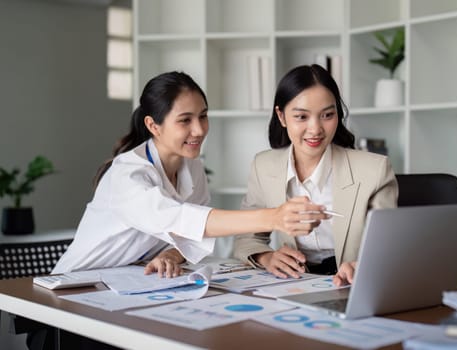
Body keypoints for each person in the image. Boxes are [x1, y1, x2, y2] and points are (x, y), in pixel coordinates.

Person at [52, 71, 328, 277]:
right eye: (185, 120)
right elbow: (182, 219)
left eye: (203, 116)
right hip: (75, 286)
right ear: (153, 125)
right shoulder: (127, 175)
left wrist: (170, 255)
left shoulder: (191, 166)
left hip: (128, 281)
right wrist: (275, 217)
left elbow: (187, 237)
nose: (199, 130)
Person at [233, 64, 398, 286]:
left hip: (351, 284)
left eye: (327, 115)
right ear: (281, 116)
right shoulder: (264, 166)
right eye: (301, 117)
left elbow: (388, 246)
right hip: (291, 284)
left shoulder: (374, 170)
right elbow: (247, 237)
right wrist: (267, 257)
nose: (316, 129)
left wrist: (363, 265)